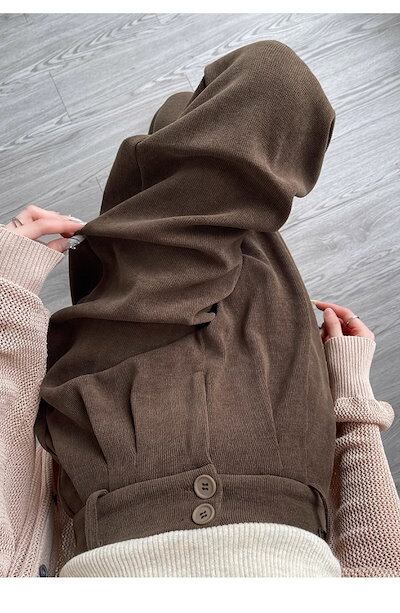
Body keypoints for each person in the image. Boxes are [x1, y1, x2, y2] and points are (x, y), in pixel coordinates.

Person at [1, 40, 399, 578]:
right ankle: (180, 129)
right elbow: (382, 568)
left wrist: (9, 296)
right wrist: (353, 403)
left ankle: (179, 129)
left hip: (115, 450)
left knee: (225, 112)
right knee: (255, 103)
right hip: (284, 456)